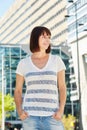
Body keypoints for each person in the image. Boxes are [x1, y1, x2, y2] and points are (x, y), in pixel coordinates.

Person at [14, 26, 66, 130]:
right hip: (30, 117)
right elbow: (18, 90)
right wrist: (19, 111)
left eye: (49, 37)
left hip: (53, 116)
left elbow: (62, 87)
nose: (47, 40)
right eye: (43, 37)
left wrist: (61, 110)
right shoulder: (23, 63)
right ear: (35, 38)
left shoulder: (56, 60)